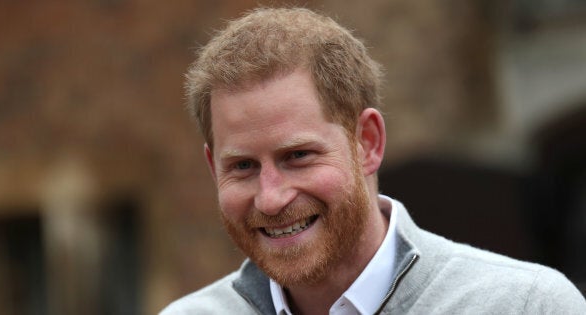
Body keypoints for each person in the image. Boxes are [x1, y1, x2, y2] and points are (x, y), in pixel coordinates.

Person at [161, 7, 586, 315]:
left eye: (298, 156)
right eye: (243, 167)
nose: (270, 199)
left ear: (367, 142)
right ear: (212, 166)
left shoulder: (525, 306)